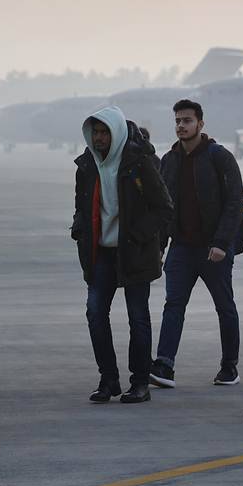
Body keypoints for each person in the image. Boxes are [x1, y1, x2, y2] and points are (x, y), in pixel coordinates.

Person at [73, 106, 173, 404]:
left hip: (134, 252)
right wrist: (80, 228)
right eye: (95, 133)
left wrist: (138, 236)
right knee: (94, 313)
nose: (99, 138)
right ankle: (108, 380)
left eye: (104, 132)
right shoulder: (87, 165)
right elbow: (81, 205)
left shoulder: (138, 163)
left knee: (137, 317)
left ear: (116, 133)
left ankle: (140, 383)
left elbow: (164, 207)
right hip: (100, 251)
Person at [150, 99, 243, 388]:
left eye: (187, 120)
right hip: (181, 248)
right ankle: (164, 365)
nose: (181, 125)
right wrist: (160, 245)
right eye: (178, 120)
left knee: (224, 306)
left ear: (200, 124)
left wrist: (222, 242)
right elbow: (164, 207)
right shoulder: (170, 159)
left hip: (213, 248)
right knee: (173, 305)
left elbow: (235, 202)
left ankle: (229, 367)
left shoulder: (220, 157)